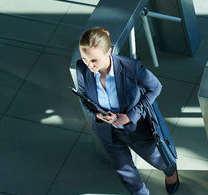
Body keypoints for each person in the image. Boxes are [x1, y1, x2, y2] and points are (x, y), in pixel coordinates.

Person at [76, 27, 179, 195]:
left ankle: (170, 171)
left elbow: (155, 88)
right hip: (106, 130)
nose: (89, 65)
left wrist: (131, 116)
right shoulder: (82, 69)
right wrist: (97, 114)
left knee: (158, 159)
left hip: (136, 127)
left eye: (94, 60)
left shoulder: (131, 67)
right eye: (85, 59)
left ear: (109, 51)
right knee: (125, 171)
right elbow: (83, 97)